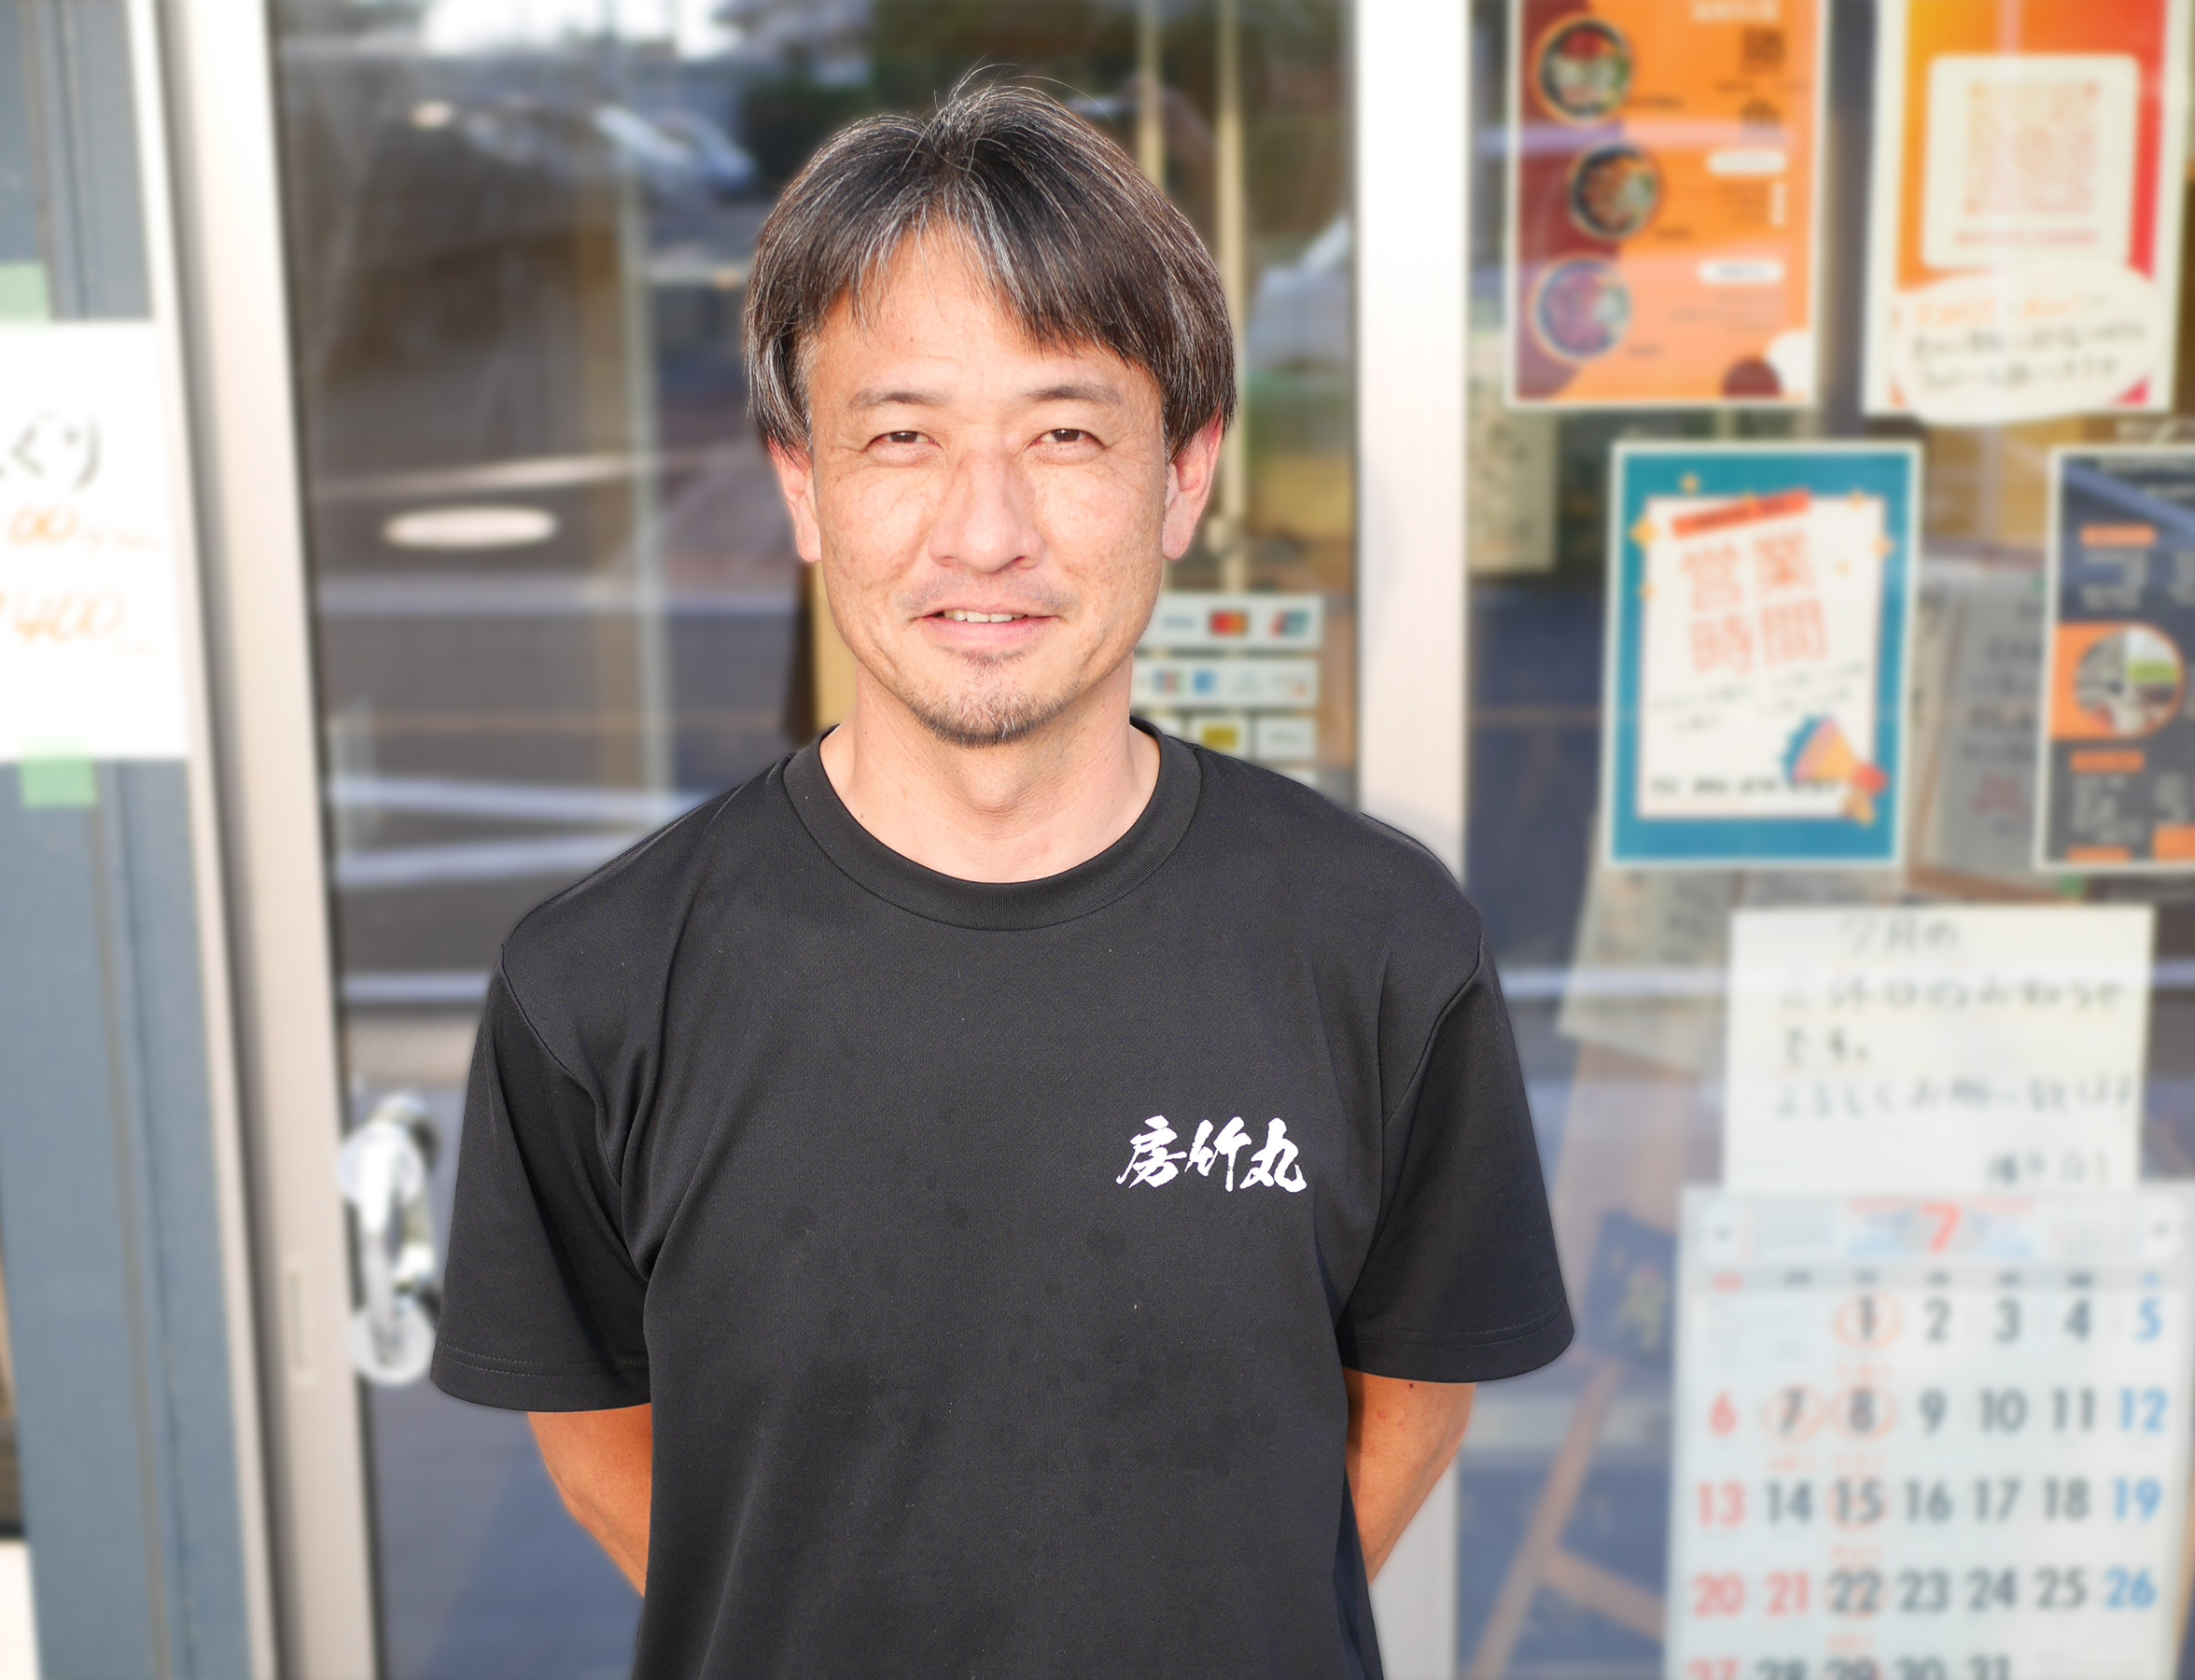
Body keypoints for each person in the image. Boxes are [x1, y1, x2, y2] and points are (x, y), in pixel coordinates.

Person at [432, 81, 1572, 1678]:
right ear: (803, 483)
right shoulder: (601, 982)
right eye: (903, 436)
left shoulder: (1377, 945)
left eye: (1065, 433)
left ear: (1183, 478)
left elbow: (1410, 1402)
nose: (986, 532)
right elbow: (603, 1449)